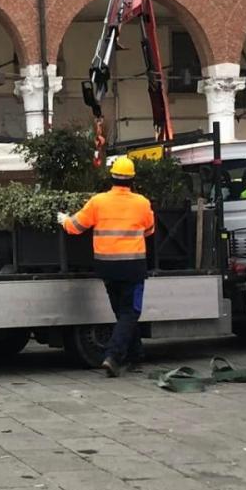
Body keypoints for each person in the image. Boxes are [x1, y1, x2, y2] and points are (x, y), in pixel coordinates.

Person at [60, 155, 155, 377]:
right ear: (132, 180)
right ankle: (113, 356)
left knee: (122, 312)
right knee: (130, 312)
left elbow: (75, 227)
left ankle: (136, 355)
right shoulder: (142, 203)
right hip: (133, 266)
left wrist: (63, 219)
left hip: (107, 267)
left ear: (111, 178)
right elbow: (150, 230)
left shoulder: (98, 201)